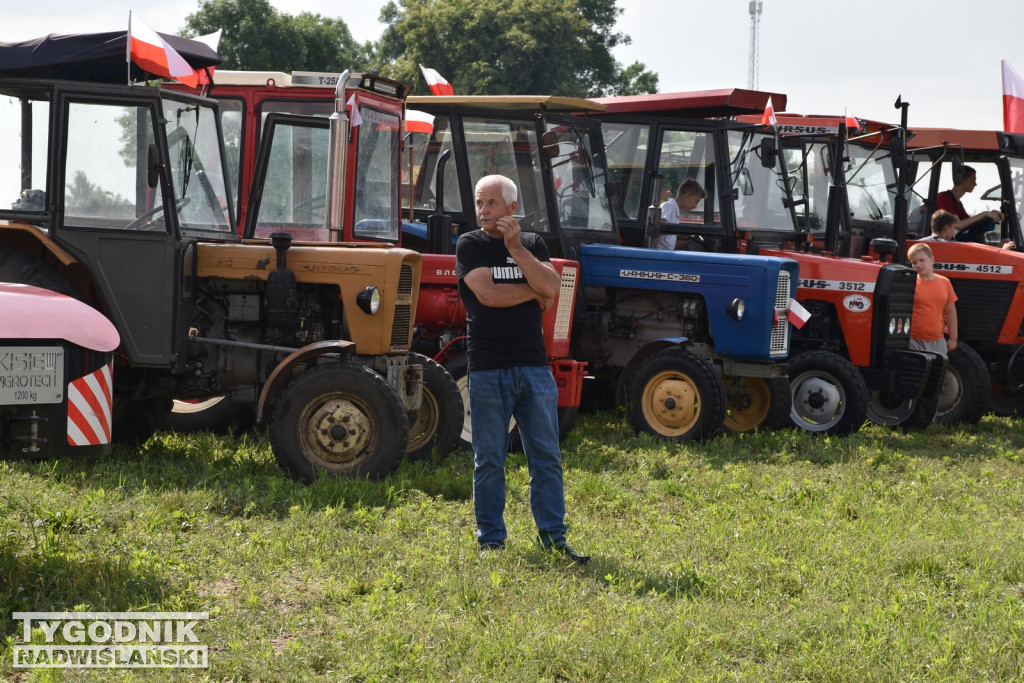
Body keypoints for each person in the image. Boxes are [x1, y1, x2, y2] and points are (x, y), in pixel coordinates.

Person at [455, 174, 590, 565]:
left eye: (492, 204)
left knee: (546, 457)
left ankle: (554, 540)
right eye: (480, 204)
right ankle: (492, 544)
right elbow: (489, 295)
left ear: (513, 208)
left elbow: (554, 285)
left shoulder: (531, 243)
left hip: (534, 367)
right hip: (487, 367)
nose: (483, 211)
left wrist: (516, 249)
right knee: (489, 458)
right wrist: (535, 292)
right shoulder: (470, 244)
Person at [907, 242, 958, 358]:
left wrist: (953, 338)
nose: (918, 265)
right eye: (914, 262)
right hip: (913, 341)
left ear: (932, 259)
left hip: (937, 341)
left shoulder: (945, 282)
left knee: (936, 374)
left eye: (922, 260)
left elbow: (951, 312)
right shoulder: (910, 283)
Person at [935, 165, 1007, 245]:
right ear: (961, 179)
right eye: (973, 180)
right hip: (939, 243)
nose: (975, 184)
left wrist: (990, 214)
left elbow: (969, 225)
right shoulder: (944, 198)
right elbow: (959, 225)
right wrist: (985, 213)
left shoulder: (957, 203)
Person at [658, 179, 706, 250]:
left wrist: (691, 239)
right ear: (687, 196)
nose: (695, 206)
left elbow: (672, 246)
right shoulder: (669, 206)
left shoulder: (675, 211)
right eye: (696, 202)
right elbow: (657, 229)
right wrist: (679, 232)